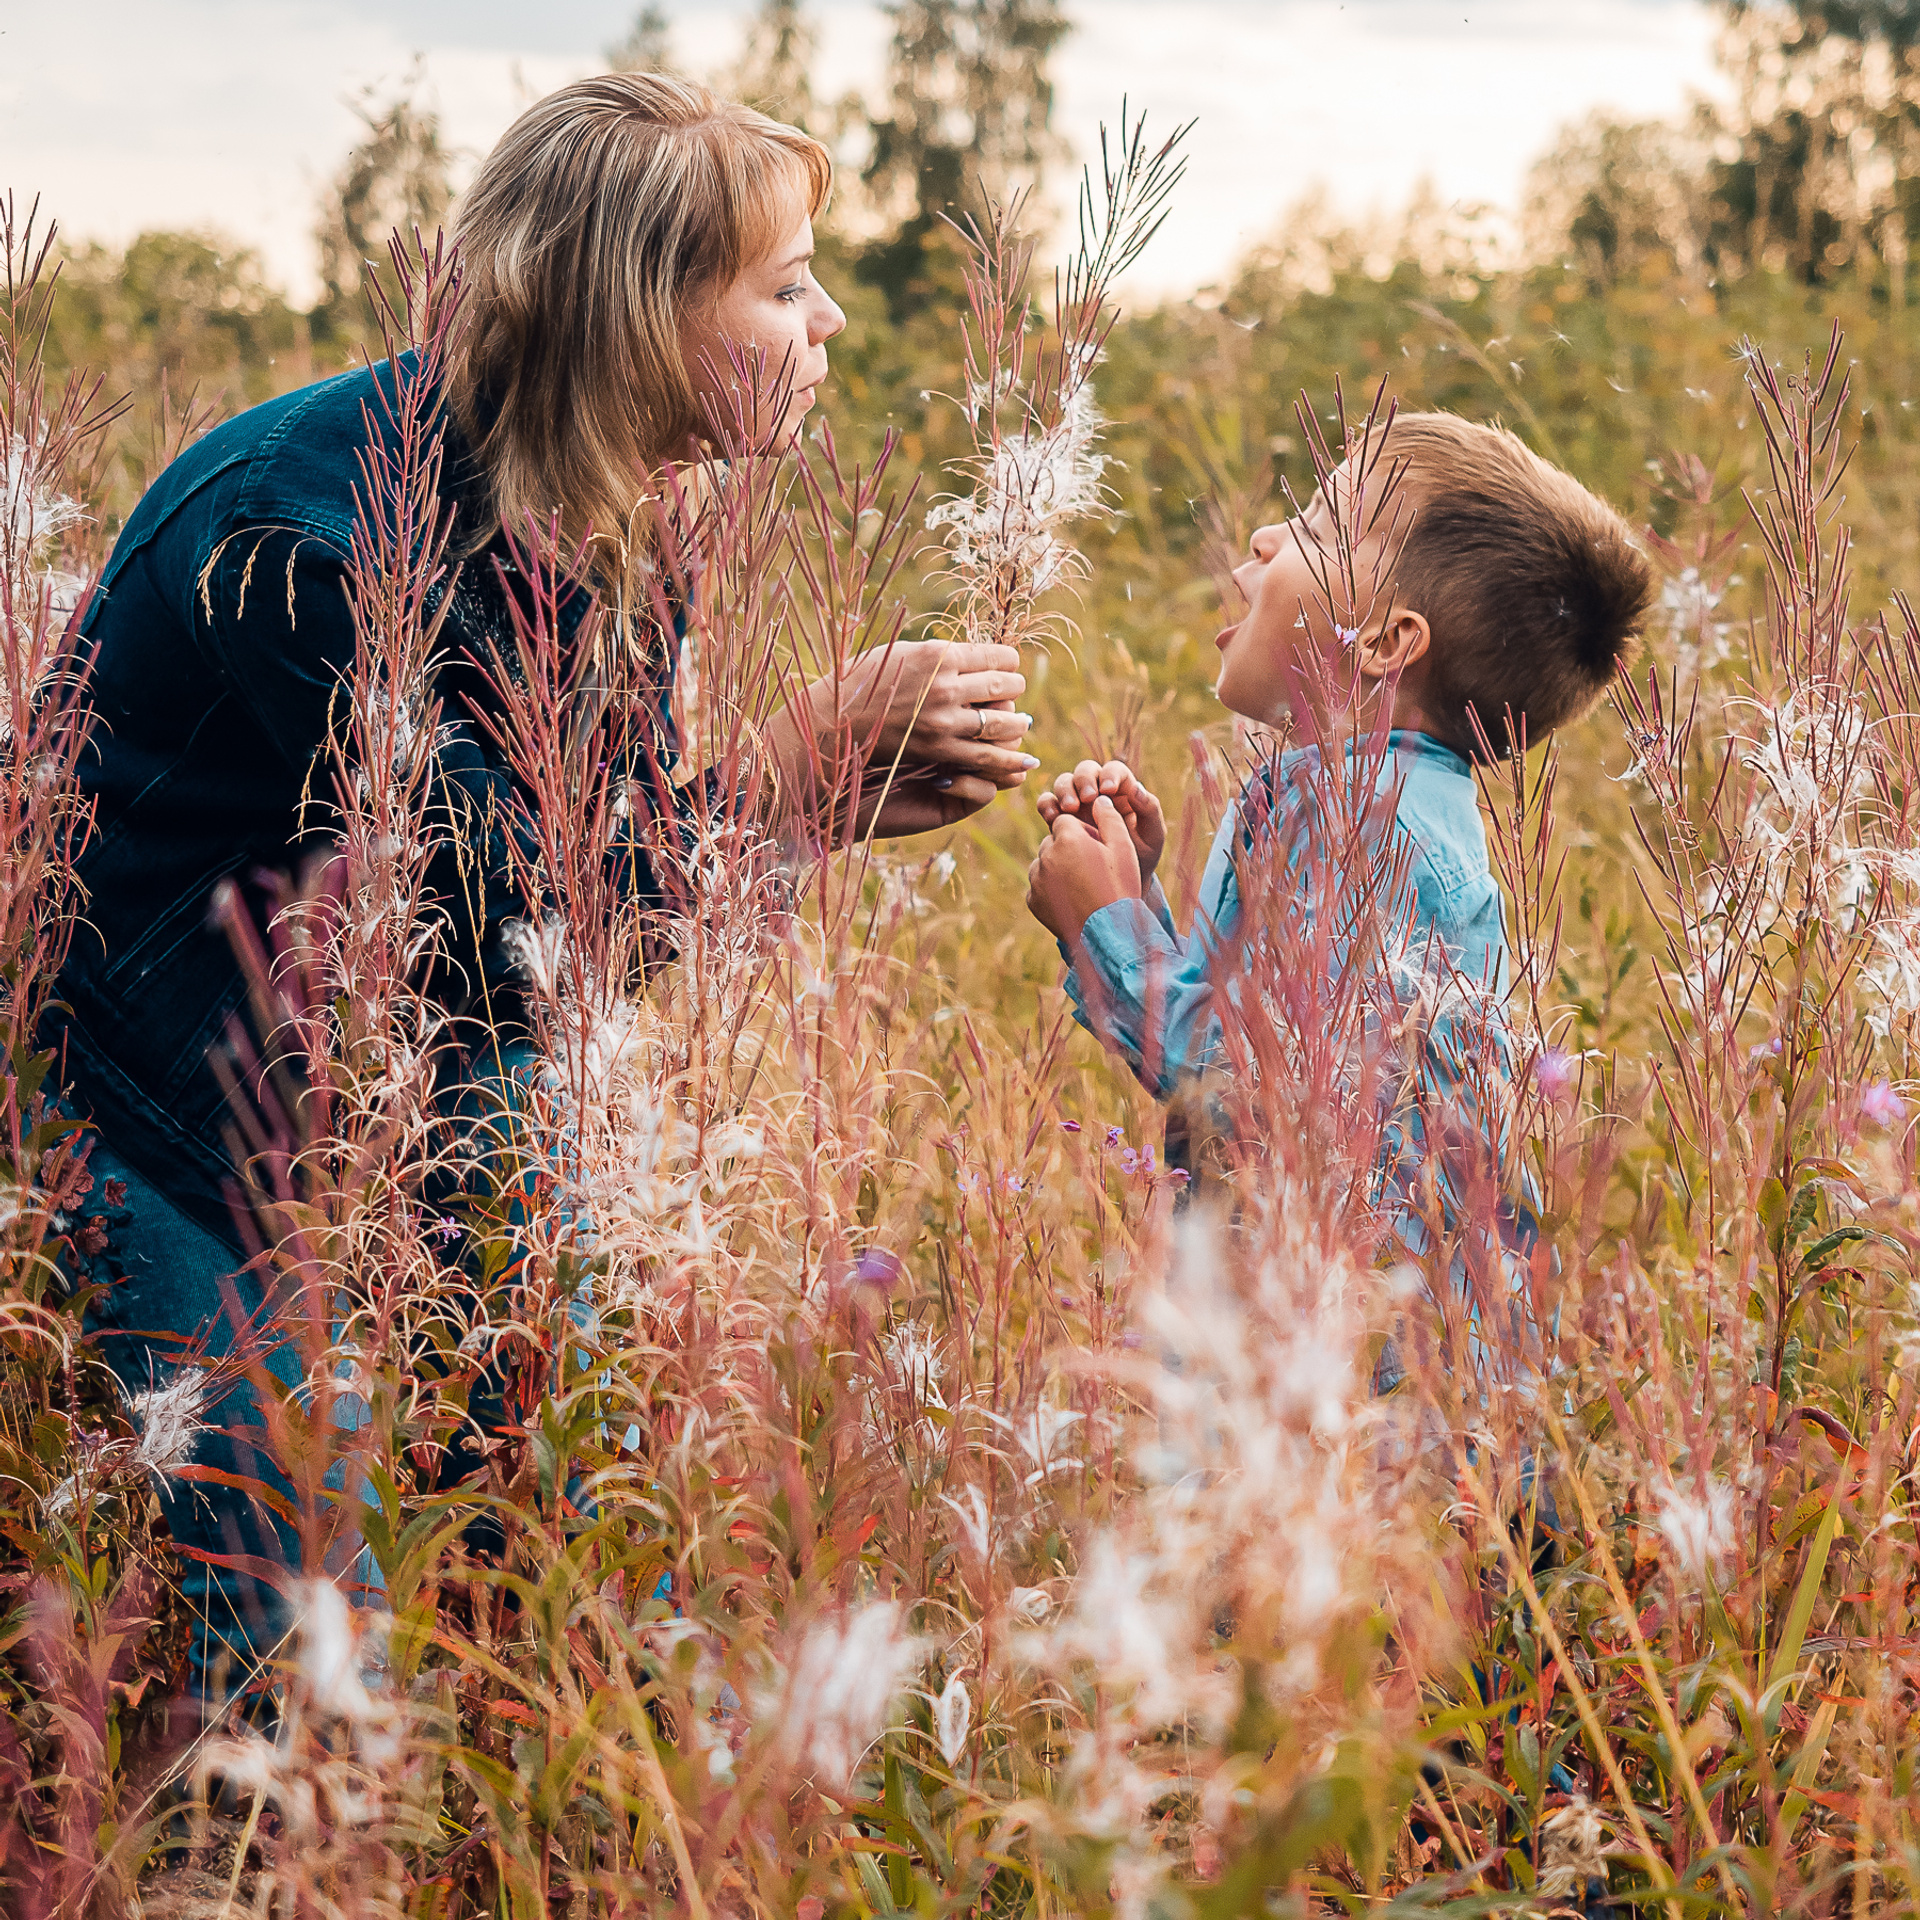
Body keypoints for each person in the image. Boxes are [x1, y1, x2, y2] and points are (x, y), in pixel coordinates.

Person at [52, 72, 1039, 1704]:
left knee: (556, 1516)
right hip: (158, 1104)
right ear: (641, 317)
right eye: (787, 287)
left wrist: (796, 819)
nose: (835, 319)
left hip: (435, 1056)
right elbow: (511, 905)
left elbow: (574, 938)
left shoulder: (629, 508)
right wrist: (786, 787)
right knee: (303, 1617)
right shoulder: (310, 545)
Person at [1024, 412, 1652, 1238]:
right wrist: (1133, 888)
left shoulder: (1373, 834)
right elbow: (1260, 1034)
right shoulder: (1353, 804)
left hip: (1372, 1350)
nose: (1263, 536)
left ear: (1386, 644)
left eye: (1318, 527)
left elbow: (1246, 1097)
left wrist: (1106, 928)